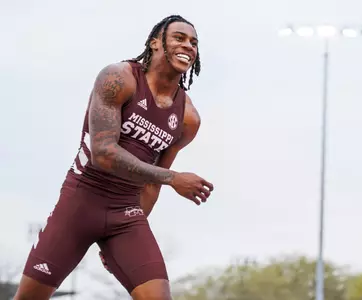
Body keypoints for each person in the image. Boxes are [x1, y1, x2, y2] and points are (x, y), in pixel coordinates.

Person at [14, 15, 213, 300]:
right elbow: (103, 153)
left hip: (126, 215)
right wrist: (174, 179)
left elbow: (151, 183)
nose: (188, 46)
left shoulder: (188, 118)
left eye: (194, 42)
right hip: (80, 204)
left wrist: (124, 247)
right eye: (179, 38)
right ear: (156, 43)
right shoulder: (119, 78)